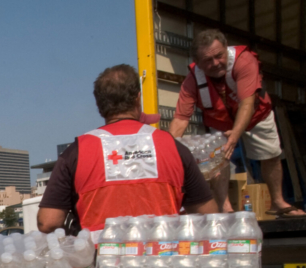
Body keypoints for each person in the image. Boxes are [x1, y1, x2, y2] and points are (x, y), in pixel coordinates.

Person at [37, 64, 217, 234]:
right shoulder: (172, 146)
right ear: (137, 98)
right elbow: (208, 214)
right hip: (162, 259)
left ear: (99, 106)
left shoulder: (77, 152)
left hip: (101, 262)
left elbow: (48, 221)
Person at [169, 29, 305, 217]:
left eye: (219, 56)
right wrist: (167, 149)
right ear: (198, 63)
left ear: (226, 49)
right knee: (216, 160)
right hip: (221, 120)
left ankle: (278, 202)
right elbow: (181, 118)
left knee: (270, 153)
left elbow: (247, 103)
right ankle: (225, 208)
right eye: (208, 60)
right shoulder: (192, 79)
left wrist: (235, 135)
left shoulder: (244, 60)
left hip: (255, 114)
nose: (216, 63)